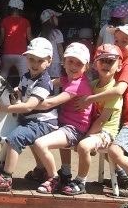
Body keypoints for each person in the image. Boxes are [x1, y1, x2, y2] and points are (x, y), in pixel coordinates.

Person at [75, 24, 128, 196]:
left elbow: (118, 91)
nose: (119, 44)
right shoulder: (118, 61)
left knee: (115, 151)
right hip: (123, 116)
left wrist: (89, 99)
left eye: (125, 41)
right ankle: (123, 177)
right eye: (117, 41)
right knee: (111, 147)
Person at [0, 37, 58, 193]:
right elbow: (21, 91)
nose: (35, 64)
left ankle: (6, 178)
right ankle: (39, 169)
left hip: (43, 122)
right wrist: (12, 92)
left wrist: (6, 108)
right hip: (31, 120)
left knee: (14, 138)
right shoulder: (26, 76)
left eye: (40, 60)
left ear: (49, 61)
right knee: (11, 132)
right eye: (31, 59)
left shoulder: (43, 82)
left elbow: (29, 106)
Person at [57, 43, 123, 195]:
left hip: (105, 132)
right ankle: (65, 172)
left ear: (119, 66)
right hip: (91, 127)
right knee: (63, 130)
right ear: (95, 64)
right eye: (102, 60)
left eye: (110, 61)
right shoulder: (92, 85)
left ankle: (81, 181)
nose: (106, 64)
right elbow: (65, 81)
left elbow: (102, 120)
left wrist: (86, 136)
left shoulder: (113, 92)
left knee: (84, 146)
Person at [30, 42, 94, 194]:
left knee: (40, 143)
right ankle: (60, 172)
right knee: (32, 132)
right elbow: (47, 83)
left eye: (79, 63)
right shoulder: (67, 79)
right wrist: (23, 88)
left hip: (75, 130)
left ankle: (53, 178)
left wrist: (27, 104)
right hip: (63, 124)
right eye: (70, 61)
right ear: (64, 62)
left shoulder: (78, 85)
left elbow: (51, 102)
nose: (74, 66)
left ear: (86, 67)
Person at [0, 0, 32, 83]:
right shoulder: (26, 21)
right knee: (24, 78)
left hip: (7, 53)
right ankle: (25, 91)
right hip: (22, 54)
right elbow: (29, 38)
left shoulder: (4, 21)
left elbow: (2, 38)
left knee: (2, 78)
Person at [39, 9, 64, 79]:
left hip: (43, 62)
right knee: (55, 82)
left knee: (45, 81)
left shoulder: (41, 34)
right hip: (55, 63)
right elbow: (60, 48)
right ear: (50, 19)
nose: (57, 19)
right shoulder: (57, 33)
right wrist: (63, 61)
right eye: (56, 17)